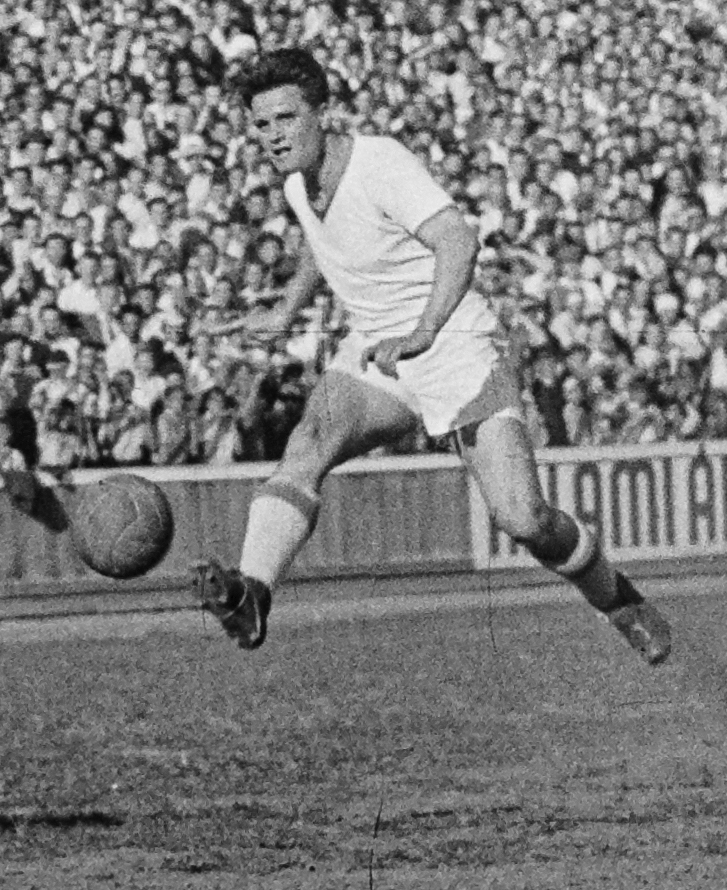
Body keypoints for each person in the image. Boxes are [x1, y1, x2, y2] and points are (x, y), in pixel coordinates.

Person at [195, 49, 671, 664]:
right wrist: (286, 310)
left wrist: (425, 331)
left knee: (524, 519)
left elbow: (457, 240)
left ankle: (619, 600)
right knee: (308, 443)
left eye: (286, 118)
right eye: (262, 125)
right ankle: (251, 593)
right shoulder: (296, 184)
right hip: (381, 351)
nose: (274, 136)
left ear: (323, 112)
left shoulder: (379, 162)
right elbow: (320, 238)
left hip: (454, 345)